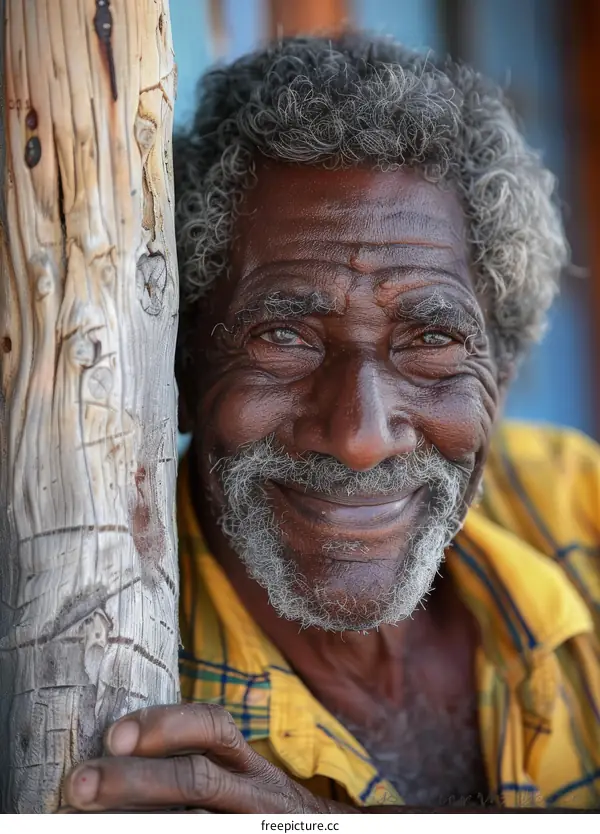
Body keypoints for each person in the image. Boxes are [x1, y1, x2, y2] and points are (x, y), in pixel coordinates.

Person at [63, 33, 600, 813]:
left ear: (503, 378)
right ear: (179, 371)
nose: (360, 436)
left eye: (431, 338)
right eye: (282, 336)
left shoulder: (574, 502)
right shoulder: (87, 669)